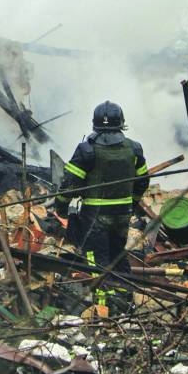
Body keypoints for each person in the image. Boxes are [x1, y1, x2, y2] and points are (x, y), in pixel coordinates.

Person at [55, 101, 148, 311]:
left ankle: (105, 309)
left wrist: (60, 206)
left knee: (97, 262)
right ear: (121, 123)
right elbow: (143, 181)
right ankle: (126, 298)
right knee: (117, 254)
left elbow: (70, 185)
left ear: (95, 124)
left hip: (94, 218)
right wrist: (131, 203)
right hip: (123, 215)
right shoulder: (134, 148)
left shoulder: (86, 150)